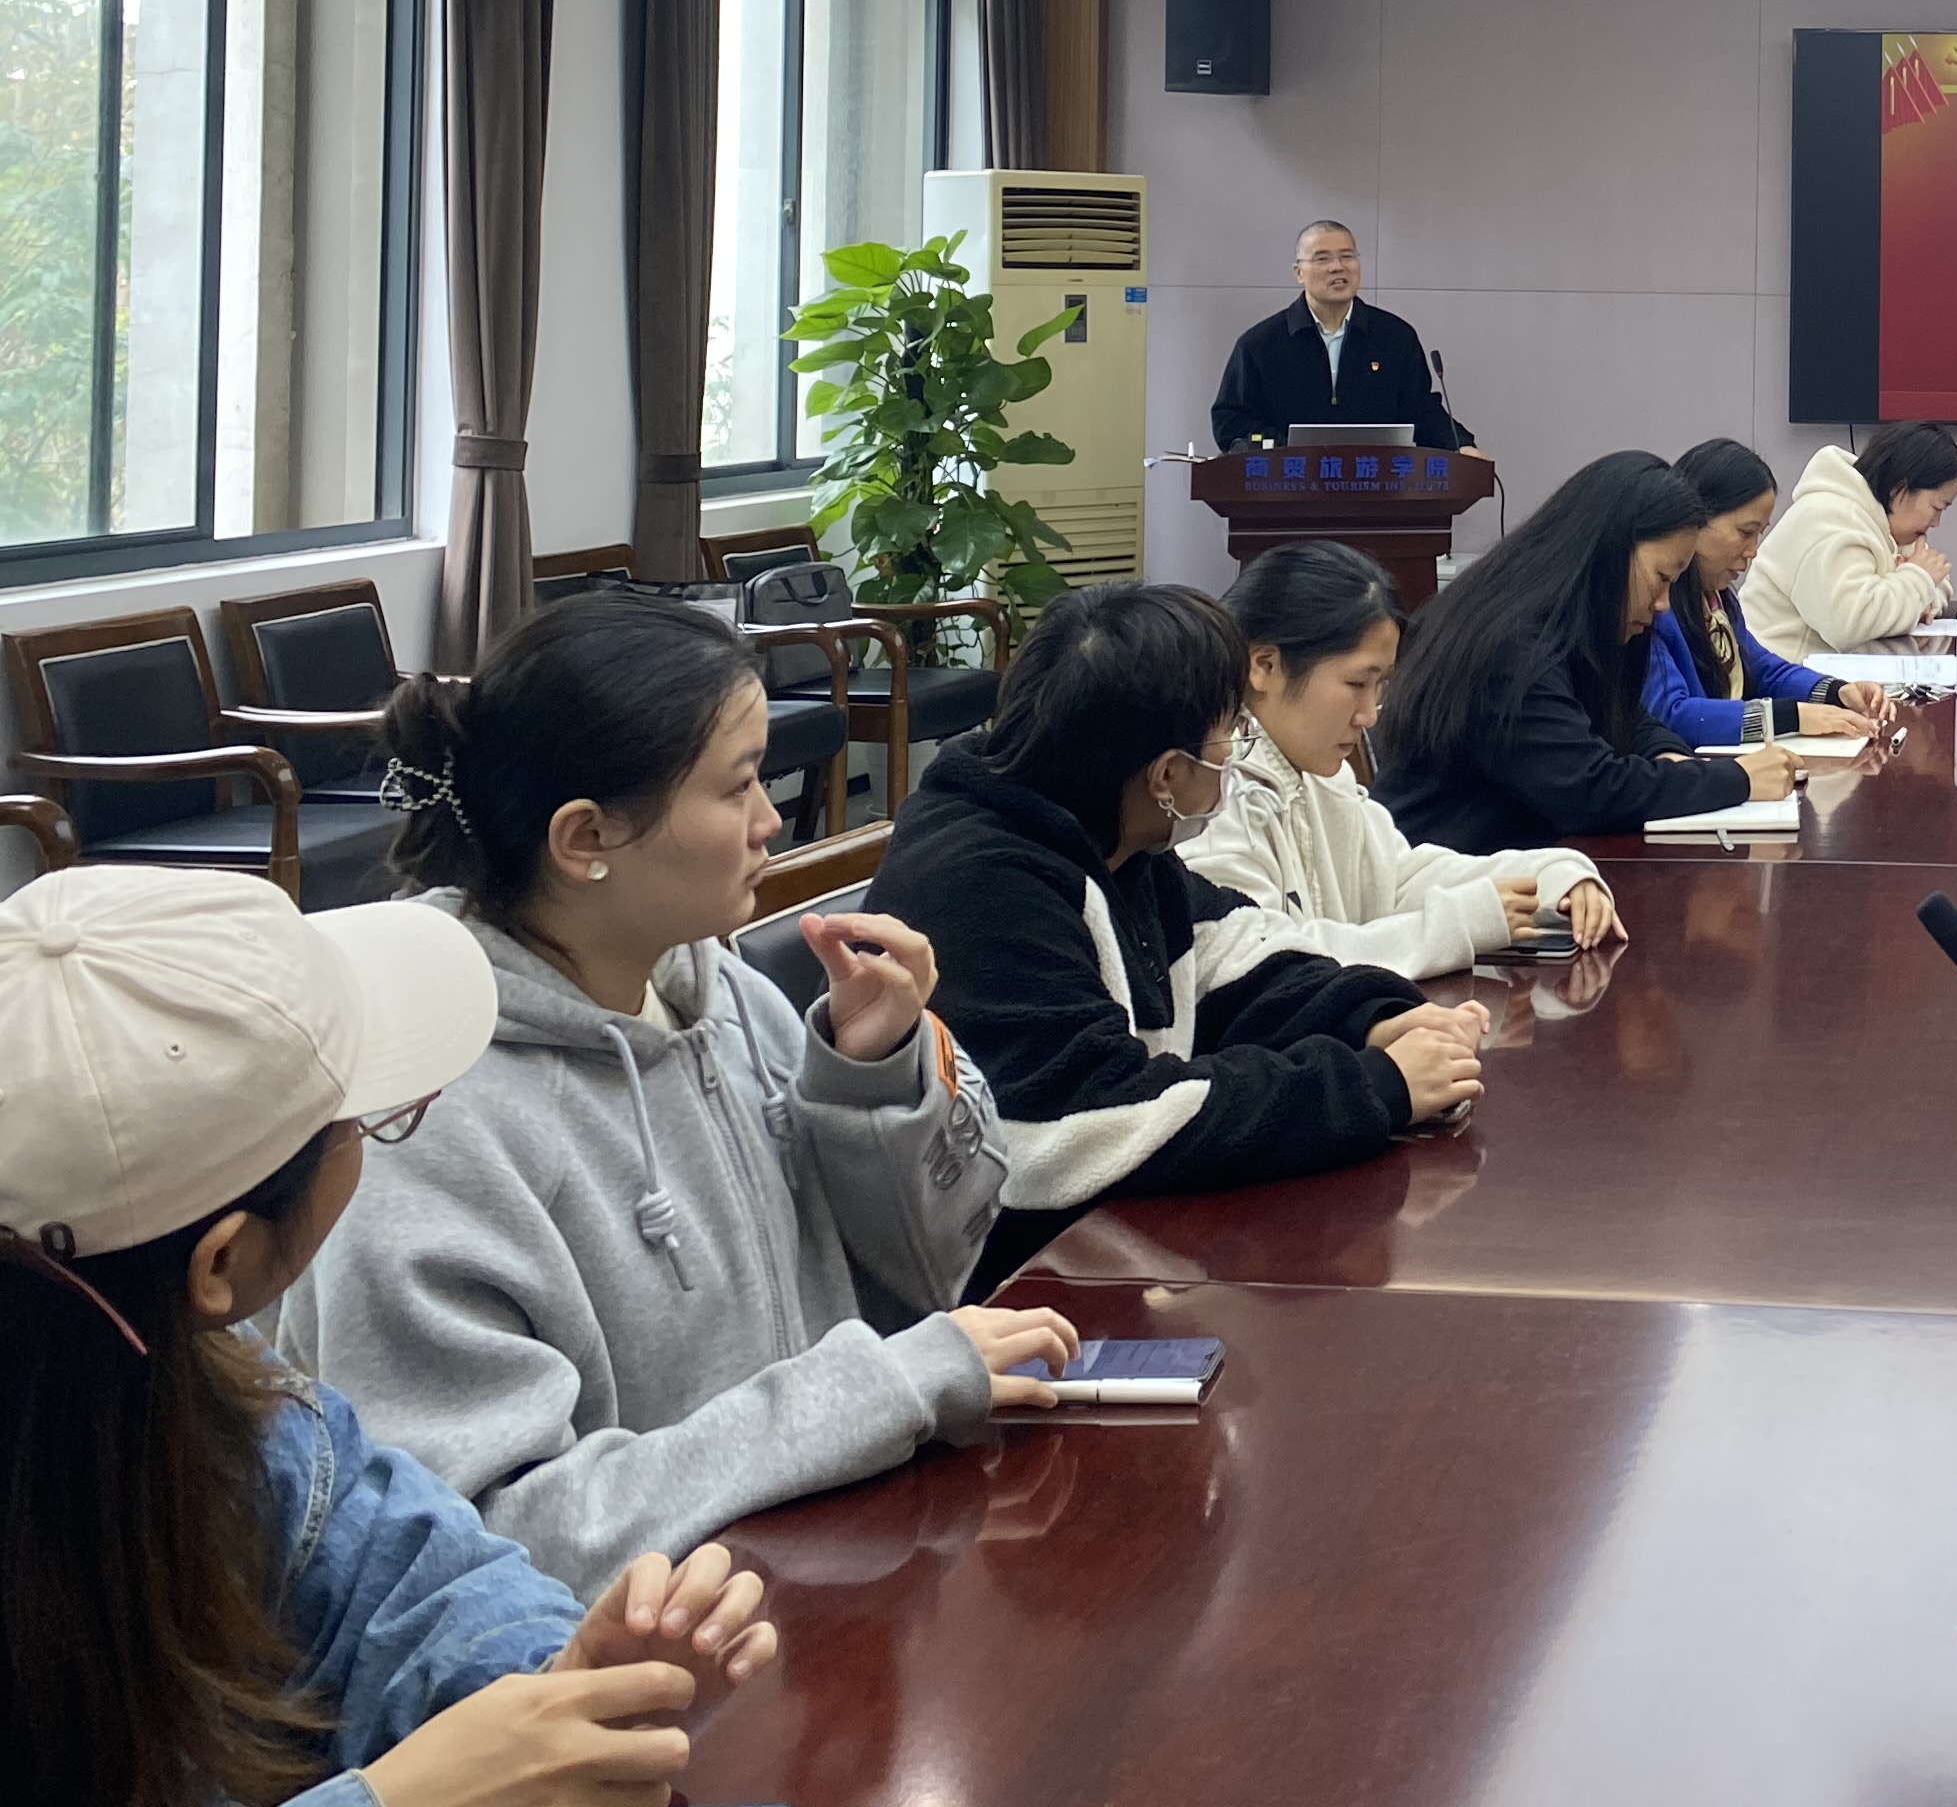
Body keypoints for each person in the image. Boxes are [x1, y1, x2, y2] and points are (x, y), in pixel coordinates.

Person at [276, 595, 1064, 1601]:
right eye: (738, 787)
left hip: (816, 1583)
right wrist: (876, 1390)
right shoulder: (422, 1122)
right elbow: (490, 1537)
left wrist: (873, 1078)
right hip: (618, 1678)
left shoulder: (722, 992)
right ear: (585, 838)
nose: (774, 820)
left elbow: (932, 1271)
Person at [0, 864, 784, 1807]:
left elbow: (407, 1572)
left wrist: (555, 1682)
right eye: (368, 1120)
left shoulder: (250, 1420)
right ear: (222, 1265)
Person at [871, 581, 1489, 1281]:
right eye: (1228, 731)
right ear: (1167, 774)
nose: (1233, 752)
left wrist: (1377, 1019)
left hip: (1101, 1253)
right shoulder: (983, 884)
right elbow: (1096, 1125)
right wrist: (1372, 1086)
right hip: (1001, 1286)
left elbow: (1236, 954)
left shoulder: (1113, 835)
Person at [1189, 536, 1631, 983]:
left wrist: (1552, 878)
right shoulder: (1207, 793)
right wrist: (1459, 924)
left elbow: (1397, 880)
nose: (1369, 714)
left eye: (1380, 686)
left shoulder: (1321, 773)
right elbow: (1264, 963)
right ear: (1263, 666)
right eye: (1358, 683)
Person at [1376, 451, 1803, 855]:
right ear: (1609, 552)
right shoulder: (1511, 646)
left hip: (1525, 868)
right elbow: (1587, 790)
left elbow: (1629, 716)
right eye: (1661, 578)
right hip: (1455, 886)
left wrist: (1664, 755)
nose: (1662, 605)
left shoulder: (1576, 624)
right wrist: (1737, 780)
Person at [1645, 438, 1903, 748]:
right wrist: (1791, 717)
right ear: (1695, 520)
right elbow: (1674, 716)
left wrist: (1834, 691)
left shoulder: (1717, 599)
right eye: (1745, 533)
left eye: (1759, 535)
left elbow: (1762, 667)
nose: (1753, 551)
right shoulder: (1654, 607)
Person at [1206, 218, 1478, 451]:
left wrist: (1461, 445)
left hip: (1379, 493)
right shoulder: (1261, 344)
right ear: (1299, 272)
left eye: (1347, 256)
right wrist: (1285, 450)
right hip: (1287, 491)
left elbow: (1421, 412)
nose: (1338, 267)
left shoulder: (1395, 337)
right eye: (1322, 258)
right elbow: (1230, 421)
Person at [1741, 421, 1957, 654]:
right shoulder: (1828, 519)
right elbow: (1848, 624)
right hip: (1779, 680)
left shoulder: (1887, 522)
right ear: (1900, 488)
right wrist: (1917, 583)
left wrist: (1919, 594)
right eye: (1937, 507)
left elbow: (1937, 578)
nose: (1936, 522)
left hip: (1829, 679)